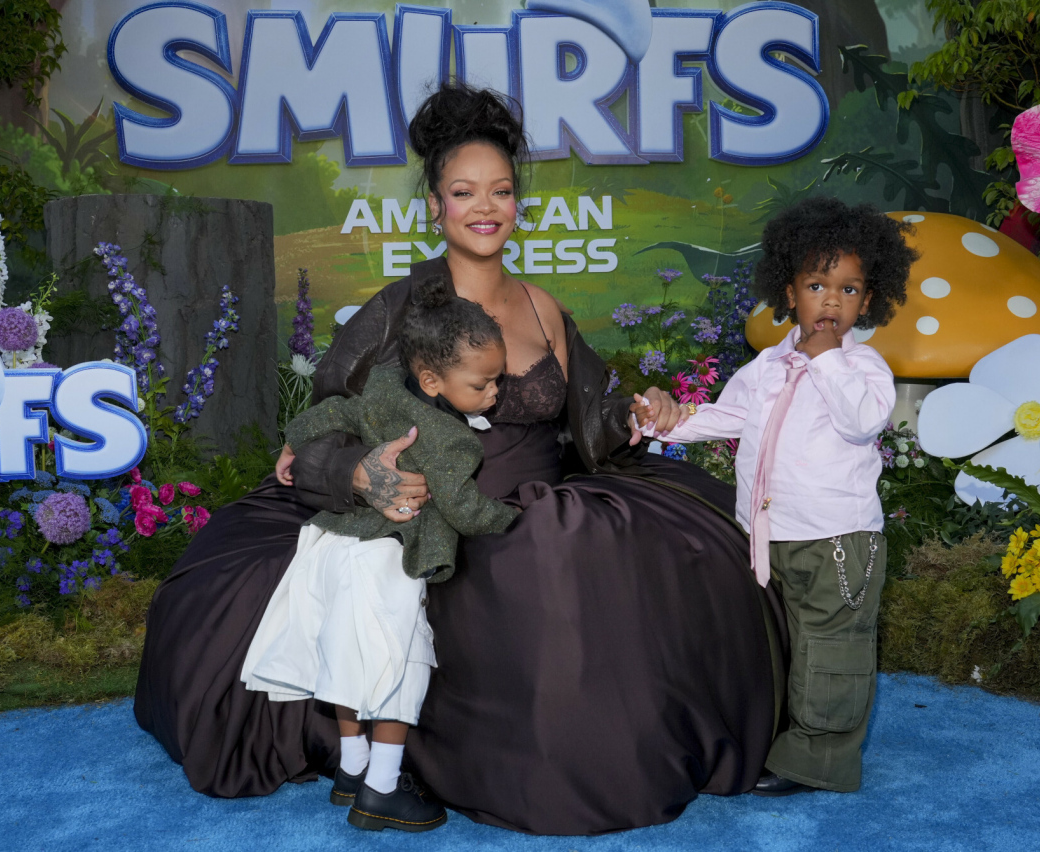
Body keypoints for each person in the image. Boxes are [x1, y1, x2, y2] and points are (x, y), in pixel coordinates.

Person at [134, 83, 785, 835]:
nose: (485, 207)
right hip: (432, 509)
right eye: (464, 191)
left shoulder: (543, 308)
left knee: (678, 539)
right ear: (435, 205)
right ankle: (416, 765)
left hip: (535, 497)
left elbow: (593, 418)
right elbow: (320, 426)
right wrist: (360, 473)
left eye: (501, 191)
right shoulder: (399, 308)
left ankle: (654, 738)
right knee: (546, 555)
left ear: (517, 204)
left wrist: (643, 411)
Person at [638, 196, 917, 796]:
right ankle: (781, 734)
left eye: (848, 290)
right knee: (787, 644)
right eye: (817, 286)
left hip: (837, 539)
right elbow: (726, 416)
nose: (832, 302)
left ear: (868, 301)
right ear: (790, 294)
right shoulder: (767, 365)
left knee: (832, 649)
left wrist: (827, 362)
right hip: (769, 535)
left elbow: (862, 422)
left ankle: (819, 761)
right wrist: (664, 423)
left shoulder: (864, 367)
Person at [242, 285, 519, 832]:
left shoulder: (384, 385)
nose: (493, 393)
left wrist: (294, 442)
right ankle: (383, 790)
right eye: (482, 384)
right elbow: (462, 509)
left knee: (347, 658)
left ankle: (352, 769)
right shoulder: (449, 440)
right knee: (400, 665)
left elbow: (335, 409)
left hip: (331, 543)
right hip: (384, 557)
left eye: (497, 381)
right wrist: (509, 518)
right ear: (432, 381)